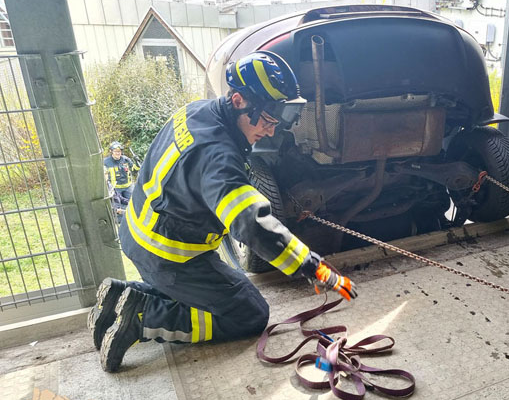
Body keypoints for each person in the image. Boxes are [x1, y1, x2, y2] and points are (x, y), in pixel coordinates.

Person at [88, 51, 357, 372]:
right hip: (170, 257)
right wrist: (314, 268)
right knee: (249, 312)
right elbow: (250, 224)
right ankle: (144, 319)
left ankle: (121, 296)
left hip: (138, 237)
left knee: (219, 291)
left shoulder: (196, 111)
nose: (272, 130)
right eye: (269, 119)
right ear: (240, 101)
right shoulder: (218, 156)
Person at [103, 141, 137, 221]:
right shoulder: (106, 162)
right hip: (116, 188)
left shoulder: (126, 160)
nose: (118, 153)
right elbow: (103, 174)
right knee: (118, 207)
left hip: (128, 187)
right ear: (111, 151)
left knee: (132, 203)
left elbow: (134, 170)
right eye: (115, 151)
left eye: (119, 151)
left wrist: (136, 163)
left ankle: (134, 220)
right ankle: (121, 223)